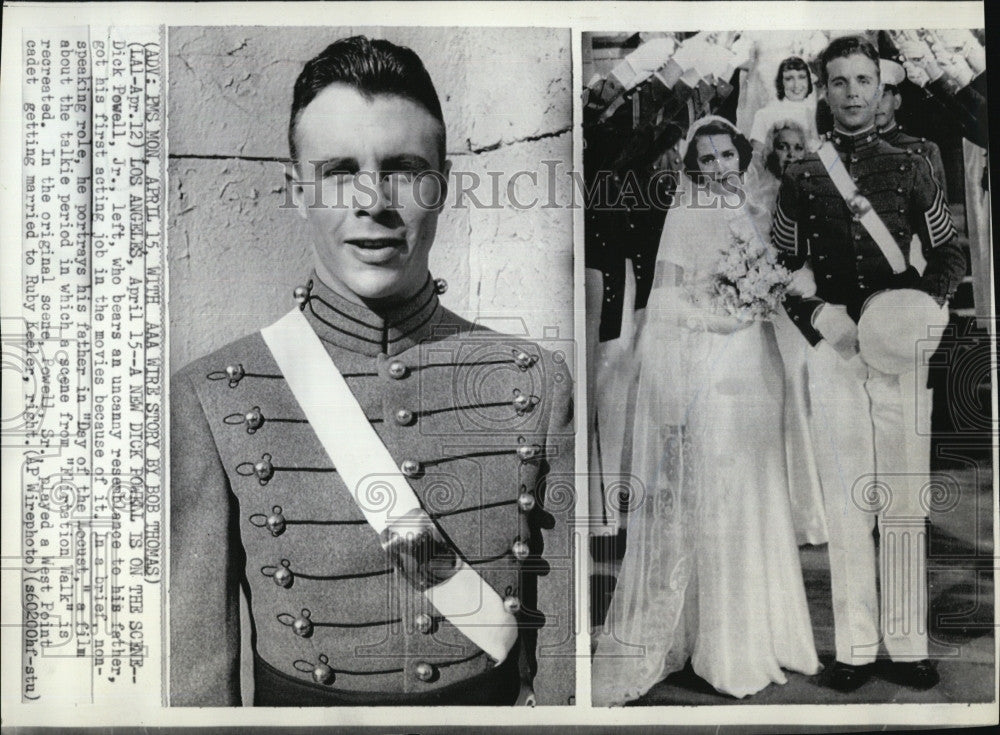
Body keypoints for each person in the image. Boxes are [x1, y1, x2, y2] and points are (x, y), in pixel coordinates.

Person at [169, 36, 574, 707]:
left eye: (403, 168)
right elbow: (197, 691)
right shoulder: (212, 396)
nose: (372, 201)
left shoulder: (534, 382)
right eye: (337, 171)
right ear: (296, 191)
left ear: (442, 188)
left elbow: (566, 678)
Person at [592, 116, 820, 705]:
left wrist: (764, 297)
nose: (721, 166)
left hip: (755, 364)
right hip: (712, 369)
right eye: (709, 158)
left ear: (741, 158)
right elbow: (664, 300)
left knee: (759, 492)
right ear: (694, 165)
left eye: (728, 155)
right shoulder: (685, 214)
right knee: (720, 496)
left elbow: (778, 273)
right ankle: (724, 647)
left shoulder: (753, 210)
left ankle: (774, 634)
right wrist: (720, 316)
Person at [772, 35, 966, 693]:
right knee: (847, 499)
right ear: (823, 90)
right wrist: (816, 319)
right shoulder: (801, 174)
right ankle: (855, 649)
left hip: (901, 350)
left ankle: (907, 646)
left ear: (881, 89)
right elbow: (776, 266)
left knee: (903, 499)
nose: (852, 93)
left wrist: (921, 313)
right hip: (836, 354)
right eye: (839, 82)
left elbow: (948, 254)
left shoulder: (917, 159)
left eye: (862, 80)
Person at [747, 120, 829, 546]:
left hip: (808, 308)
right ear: (771, 153)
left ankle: (815, 511)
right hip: (769, 307)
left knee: (805, 397)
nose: (792, 154)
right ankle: (784, 515)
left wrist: (810, 276)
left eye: (799, 147)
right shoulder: (756, 200)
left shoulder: (817, 191)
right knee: (775, 399)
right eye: (784, 147)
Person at [875, 58, 948, 200]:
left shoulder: (926, 150)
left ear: (896, 101)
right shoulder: (852, 150)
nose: (877, 105)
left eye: (882, 96)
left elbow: (939, 213)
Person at [748, 56, 820, 156]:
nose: (796, 85)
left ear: (808, 81)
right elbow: (755, 159)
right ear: (781, 82)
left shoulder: (810, 112)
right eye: (789, 79)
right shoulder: (764, 114)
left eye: (802, 77)